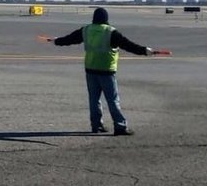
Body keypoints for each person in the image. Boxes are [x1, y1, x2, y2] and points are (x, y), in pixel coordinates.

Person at [52, 7, 152, 136]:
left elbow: (70, 39)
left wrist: (57, 41)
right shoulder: (111, 32)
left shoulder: (87, 30)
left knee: (94, 99)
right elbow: (128, 45)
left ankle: (96, 125)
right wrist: (144, 50)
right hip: (106, 70)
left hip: (90, 69)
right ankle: (120, 126)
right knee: (112, 100)